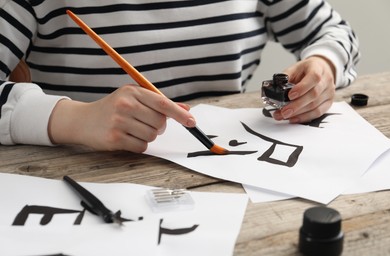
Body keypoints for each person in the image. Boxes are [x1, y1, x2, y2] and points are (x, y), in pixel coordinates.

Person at [0, 0, 360, 152]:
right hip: (80, 178)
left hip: (232, 182)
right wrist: (72, 119)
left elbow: (333, 32)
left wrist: (324, 65)